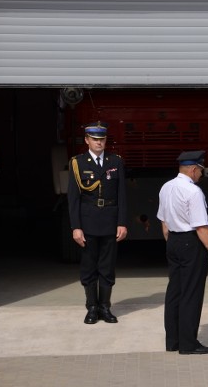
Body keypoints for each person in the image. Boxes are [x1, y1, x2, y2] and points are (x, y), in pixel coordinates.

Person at [157, 151, 208, 355]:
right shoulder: (194, 192)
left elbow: (164, 222)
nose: (201, 175)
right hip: (191, 242)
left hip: (173, 240)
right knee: (191, 293)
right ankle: (188, 344)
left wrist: (172, 242)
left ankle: (173, 341)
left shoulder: (166, 187)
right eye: (201, 171)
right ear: (194, 170)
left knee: (174, 291)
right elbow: (201, 227)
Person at [67, 121, 127, 324]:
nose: (99, 143)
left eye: (102, 139)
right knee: (89, 266)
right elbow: (73, 198)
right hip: (88, 221)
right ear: (87, 140)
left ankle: (105, 307)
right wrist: (76, 226)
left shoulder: (115, 161)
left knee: (107, 267)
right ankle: (92, 307)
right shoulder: (78, 162)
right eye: (94, 139)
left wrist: (122, 222)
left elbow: (122, 195)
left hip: (110, 220)